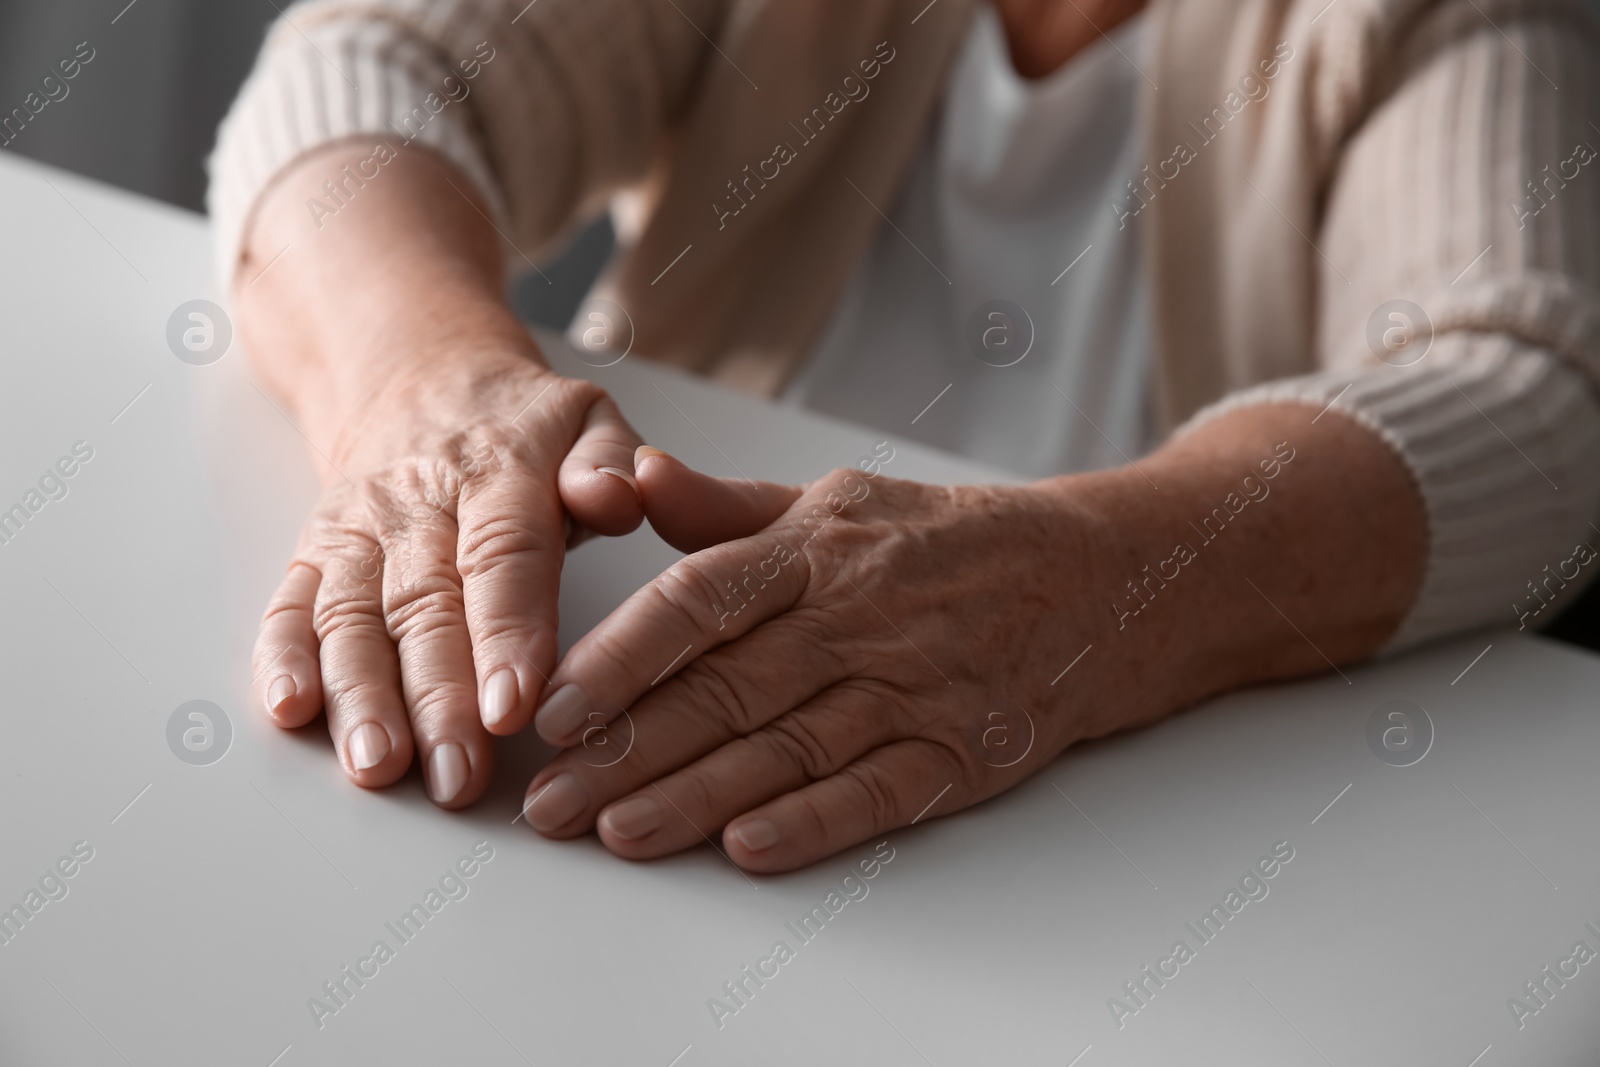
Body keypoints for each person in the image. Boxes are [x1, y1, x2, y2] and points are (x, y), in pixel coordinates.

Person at [213, 0, 1600, 872]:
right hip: (601, 734)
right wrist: (429, 384)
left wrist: (1093, 585)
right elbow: (358, 73)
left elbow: (1535, 397)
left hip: (1117, 854)